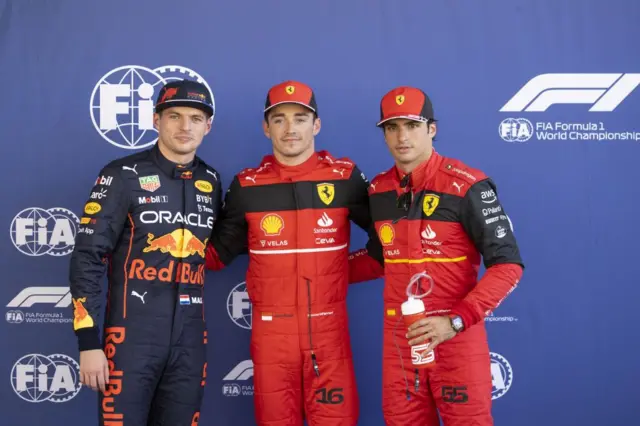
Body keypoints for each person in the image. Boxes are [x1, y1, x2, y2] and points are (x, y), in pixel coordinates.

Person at [205, 80, 381, 426]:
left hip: (330, 333)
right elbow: (217, 256)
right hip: (272, 337)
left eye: (300, 118)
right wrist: (164, 234)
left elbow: (387, 246)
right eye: (279, 119)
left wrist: (334, 272)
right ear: (266, 127)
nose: (290, 129)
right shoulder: (247, 186)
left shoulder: (344, 177)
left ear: (316, 125)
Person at [349, 86, 524, 426]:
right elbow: (378, 258)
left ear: (432, 129)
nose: (402, 137)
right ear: (384, 133)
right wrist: (314, 269)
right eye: (392, 127)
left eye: (412, 126)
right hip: (401, 345)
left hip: (456, 339)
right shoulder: (379, 190)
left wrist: (455, 321)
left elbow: (508, 266)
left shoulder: (468, 185)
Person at [69, 79, 221, 426]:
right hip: (129, 339)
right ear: (156, 119)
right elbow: (87, 258)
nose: (185, 126)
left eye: (196, 118)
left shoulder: (211, 180)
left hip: (190, 339)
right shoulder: (122, 174)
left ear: (207, 126)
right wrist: (88, 341)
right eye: (174, 116)